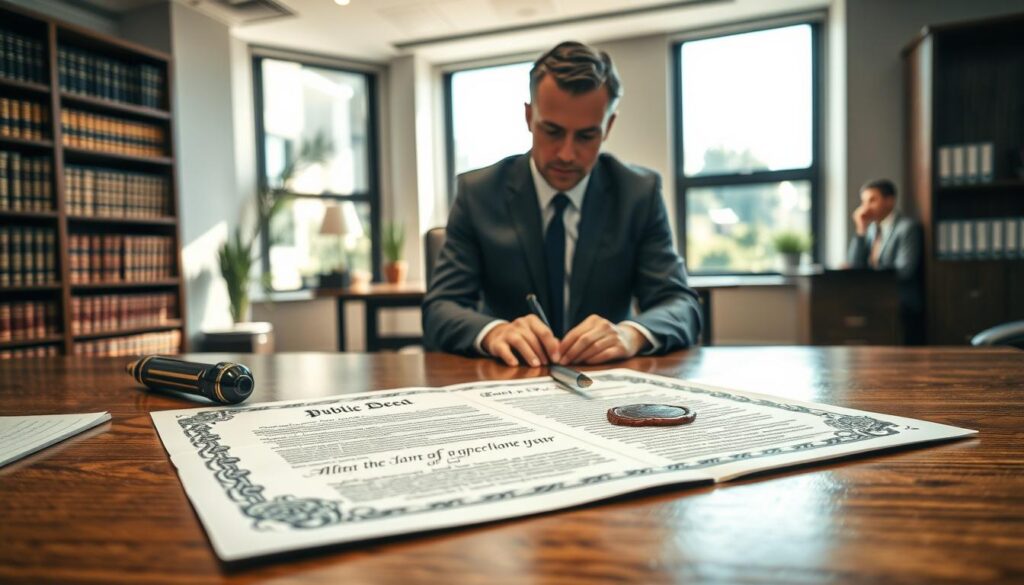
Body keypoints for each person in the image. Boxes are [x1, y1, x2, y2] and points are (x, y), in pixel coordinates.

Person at [423, 41, 702, 367]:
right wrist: (494, 332)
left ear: (608, 127)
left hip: (606, 380)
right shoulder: (478, 193)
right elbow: (440, 309)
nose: (567, 154)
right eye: (552, 131)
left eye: (586, 136)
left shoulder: (638, 193)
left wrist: (631, 335)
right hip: (510, 377)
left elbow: (682, 305)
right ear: (529, 117)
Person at [847, 178, 924, 343]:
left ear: (890, 201)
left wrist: (871, 277)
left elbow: (905, 271)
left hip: (901, 302)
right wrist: (860, 230)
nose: (866, 207)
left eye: (872, 200)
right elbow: (855, 265)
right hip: (876, 299)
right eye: (864, 202)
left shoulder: (907, 228)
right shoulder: (871, 230)